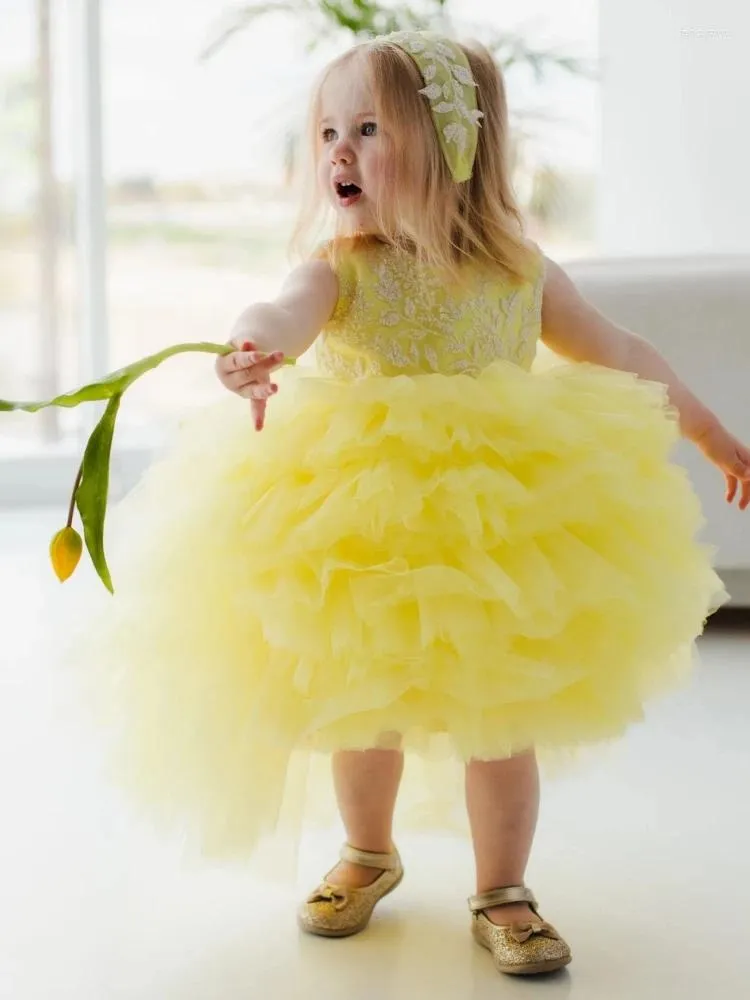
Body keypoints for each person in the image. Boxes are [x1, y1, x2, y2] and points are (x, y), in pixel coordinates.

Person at [81, 31, 748, 977]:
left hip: (503, 519)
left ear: (453, 150)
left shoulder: (520, 271)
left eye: (367, 129)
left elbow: (622, 351)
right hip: (360, 519)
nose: (338, 153)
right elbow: (281, 313)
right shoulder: (337, 266)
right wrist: (251, 347)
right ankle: (367, 850)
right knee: (363, 705)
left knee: (504, 713)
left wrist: (710, 427)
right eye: (326, 133)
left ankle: (503, 886)